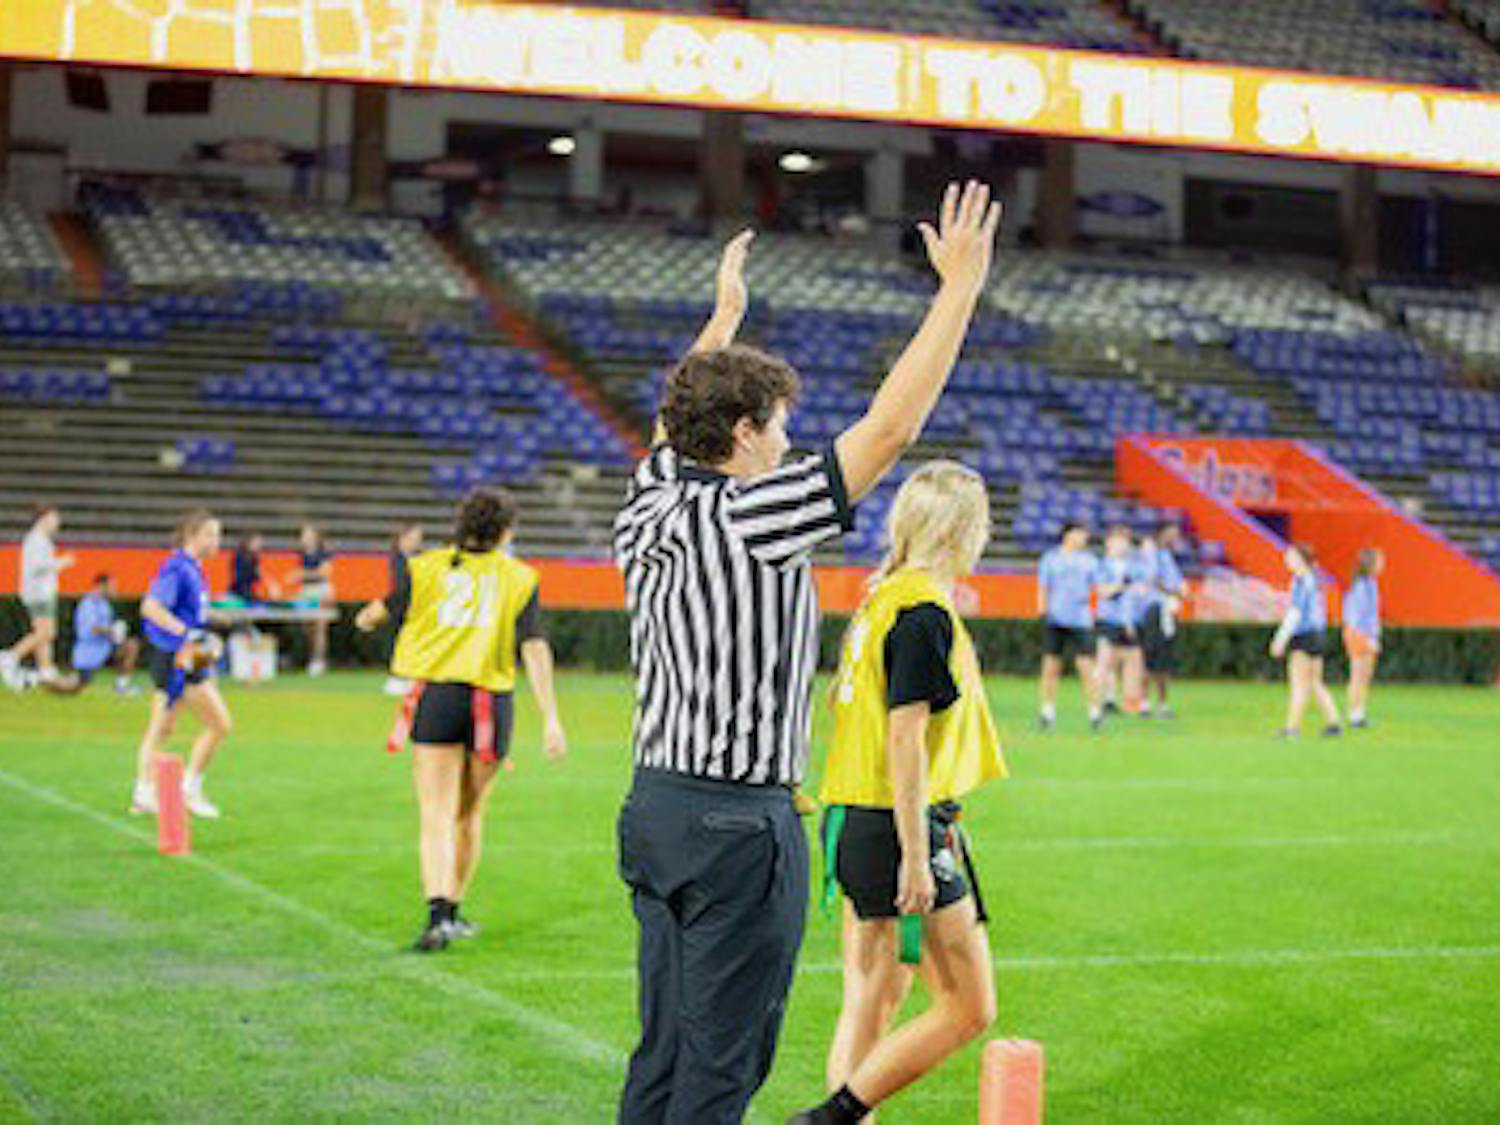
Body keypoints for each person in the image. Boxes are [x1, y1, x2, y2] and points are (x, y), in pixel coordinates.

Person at [615, 180, 1002, 1125]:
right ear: (743, 436)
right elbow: (889, 430)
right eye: (779, 427)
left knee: (661, 1051)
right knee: (721, 1064)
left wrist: (722, 322)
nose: (791, 444)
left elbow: (677, 424)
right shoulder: (756, 515)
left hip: (654, 805)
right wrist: (956, 294)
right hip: (738, 825)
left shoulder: (647, 504)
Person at [803, 462, 1004, 1125]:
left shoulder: (881, 597)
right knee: (969, 1007)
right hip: (897, 822)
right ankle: (831, 1117)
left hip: (853, 815)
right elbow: (905, 739)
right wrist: (917, 854)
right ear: (959, 529)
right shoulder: (921, 609)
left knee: (872, 995)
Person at [369, 489, 566, 952]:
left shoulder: (426, 568)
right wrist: (551, 717)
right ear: (506, 532)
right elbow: (534, 646)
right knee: (469, 812)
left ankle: (437, 914)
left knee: (434, 813)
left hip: (438, 695)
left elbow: (382, 610)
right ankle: (454, 910)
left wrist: (365, 619)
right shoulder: (519, 577)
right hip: (491, 703)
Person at [131, 509, 233, 819]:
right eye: (211, 534)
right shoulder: (178, 568)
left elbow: (188, 611)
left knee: (163, 727)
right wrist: (186, 632)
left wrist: (218, 619)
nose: (217, 541)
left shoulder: (193, 568)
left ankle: (145, 793)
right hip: (177, 656)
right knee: (218, 724)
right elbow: (150, 607)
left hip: (181, 655)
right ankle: (187, 788)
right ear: (192, 535)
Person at [1269, 542, 1343, 739]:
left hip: (1304, 635)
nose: (1287, 560)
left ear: (1301, 560)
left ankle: (1292, 728)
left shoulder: (1302, 581)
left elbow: (1295, 613)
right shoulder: (1315, 580)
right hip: (1317, 634)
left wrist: (1280, 639)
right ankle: (1333, 722)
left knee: (1299, 683)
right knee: (1315, 682)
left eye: (1292, 557)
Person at [1036, 524, 1102, 732]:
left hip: (1081, 620)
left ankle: (1094, 712)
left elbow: (1099, 588)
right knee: (1051, 667)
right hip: (1056, 618)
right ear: (1068, 535)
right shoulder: (1050, 559)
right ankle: (1047, 711)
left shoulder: (1090, 561)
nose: (1084, 537)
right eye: (1080, 533)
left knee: (1086, 667)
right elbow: (1043, 586)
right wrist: (1042, 610)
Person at [1, 505, 75, 690]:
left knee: (44, 634)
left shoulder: (40, 540)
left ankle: (46, 671)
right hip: (38, 593)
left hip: (40, 592)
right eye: (54, 518)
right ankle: (11, 656)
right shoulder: (36, 540)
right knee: (46, 633)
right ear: (43, 518)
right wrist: (61, 563)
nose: (57, 522)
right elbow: (38, 566)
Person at [1136, 523, 1186, 719]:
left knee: (1163, 659)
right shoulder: (1153, 555)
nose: (1174, 539)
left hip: (1165, 610)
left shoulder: (1167, 557)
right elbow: (1153, 580)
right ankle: (1146, 702)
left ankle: (1160, 703)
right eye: (1171, 534)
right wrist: (1173, 592)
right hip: (1155, 608)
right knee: (1151, 657)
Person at [1094, 525, 1142, 716]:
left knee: (1132, 661)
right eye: (1118, 540)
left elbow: (1134, 597)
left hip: (1126, 621)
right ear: (1109, 543)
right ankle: (1098, 701)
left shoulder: (1133, 567)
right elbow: (1102, 591)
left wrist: (1130, 621)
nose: (1122, 545)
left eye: (1125, 541)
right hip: (1108, 619)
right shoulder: (1102, 565)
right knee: (1104, 662)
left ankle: (1128, 701)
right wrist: (1120, 587)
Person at [72, 573, 141, 695]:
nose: (114, 589)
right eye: (112, 586)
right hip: (89, 651)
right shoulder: (89, 603)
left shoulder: (105, 604)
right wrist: (113, 630)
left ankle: (122, 686)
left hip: (105, 648)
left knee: (131, 646)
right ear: (102, 585)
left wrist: (116, 635)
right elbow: (92, 627)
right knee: (76, 686)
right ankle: (41, 679)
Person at [1343, 548, 1384, 730]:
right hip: (1359, 634)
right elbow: (1356, 616)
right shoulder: (1362, 586)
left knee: (1365, 676)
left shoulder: (1370, 584)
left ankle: (1360, 713)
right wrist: (1365, 638)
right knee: (1358, 676)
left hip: (1367, 634)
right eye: (1379, 561)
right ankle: (1354, 714)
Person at [295, 523, 333, 676]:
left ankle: (319, 661)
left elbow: (324, 573)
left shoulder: (324, 553)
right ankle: (312, 657)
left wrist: (302, 574)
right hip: (306, 592)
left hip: (321, 591)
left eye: (307, 534)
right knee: (307, 626)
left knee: (319, 627)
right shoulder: (302, 554)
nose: (304, 538)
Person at [230, 532, 279, 602]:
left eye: (260, 543)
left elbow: (260, 575)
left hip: (249, 591)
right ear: (249, 542)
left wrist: (270, 584)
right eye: (257, 542)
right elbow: (241, 576)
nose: (259, 545)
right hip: (239, 592)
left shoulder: (255, 558)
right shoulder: (239, 557)